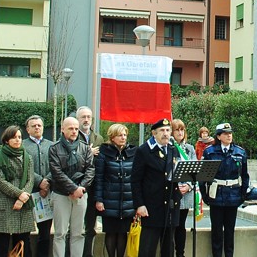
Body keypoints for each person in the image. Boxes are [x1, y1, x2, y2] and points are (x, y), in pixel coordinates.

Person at [132, 119, 181, 257]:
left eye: (167, 130)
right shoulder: (144, 150)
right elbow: (135, 180)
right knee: (148, 247)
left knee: (168, 247)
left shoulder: (173, 148)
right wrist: (140, 204)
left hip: (170, 205)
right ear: (154, 133)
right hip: (152, 206)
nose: (166, 134)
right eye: (162, 131)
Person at [48, 116, 95, 257]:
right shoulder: (54, 148)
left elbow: (90, 170)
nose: (74, 131)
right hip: (61, 194)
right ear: (63, 129)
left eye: (76, 128)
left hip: (81, 194)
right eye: (71, 128)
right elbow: (56, 172)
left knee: (78, 232)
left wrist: (80, 188)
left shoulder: (85, 148)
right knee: (60, 233)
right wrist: (73, 188)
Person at [201, 123, 249, 257]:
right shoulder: (210, 152)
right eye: (225, 133)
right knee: (216, 231)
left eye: (230, 133)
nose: (229, 135)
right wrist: (205, 196)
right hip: (216, 195)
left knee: (229, 231)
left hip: (233, 195)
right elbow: (203, 177)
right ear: (218, 136)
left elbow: (245, 176)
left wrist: (243, 195)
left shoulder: (240, 152)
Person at [0, 126, 35, 257]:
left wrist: (22, 198)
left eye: (19, 137)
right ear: (6, 140)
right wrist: (19, 194)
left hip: (23, 204)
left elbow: (30, 180)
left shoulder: (27, 157)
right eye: (14, 137)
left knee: (23, 242)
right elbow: (0, 181)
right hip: (4, 202)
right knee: (1, 243)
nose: (17, 140)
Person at [94, 124, 137, 257]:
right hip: (109, 200)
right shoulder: (104, 153)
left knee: (123, 232)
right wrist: (99, 200)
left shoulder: (132, 153)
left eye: (125, 135)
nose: (123, 138)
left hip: (127, 200)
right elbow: (99, 178)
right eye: (120, 135)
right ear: (112, 137)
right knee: (111, 232)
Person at [21, 115, 54, 256]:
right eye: (33, 126)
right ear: (28, 129)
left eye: (39, 125)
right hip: (28, 193)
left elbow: (56, 166)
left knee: (45, 233)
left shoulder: (52, 145)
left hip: (47, 194)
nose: (37, 128)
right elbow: (23, 167)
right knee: (25, 232)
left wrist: (47, 183)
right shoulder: (22, 145)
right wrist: (39, 182)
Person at [75, 107, 102, 257]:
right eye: (83, 117)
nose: (86, 120)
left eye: (88, 117)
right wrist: (87, 153)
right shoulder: (71, 137)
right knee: (75, 227)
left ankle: (87, 254)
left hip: (93, 188)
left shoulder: (98, 138)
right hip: (77, 187)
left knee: (90, 225)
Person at [170, 119, 199, 257]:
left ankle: (180, 254)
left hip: (185, 193)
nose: (180, 132)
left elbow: (195, 171)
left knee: (181, 226)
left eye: (182, 130)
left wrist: (188, 186)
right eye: (177, 130)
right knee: (172, 226)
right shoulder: (168, 147)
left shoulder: (189, 148)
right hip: (171, 192)